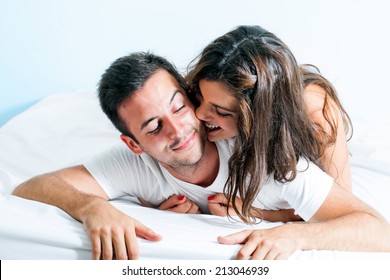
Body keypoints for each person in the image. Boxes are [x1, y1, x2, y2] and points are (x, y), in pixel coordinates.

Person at [12, 52, 390, 260]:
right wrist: (91, 207)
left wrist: (293, 233)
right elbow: (33, 186)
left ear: (191, 99)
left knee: (312, 103)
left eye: (179, 108)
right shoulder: (131, 163)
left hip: (307, 111)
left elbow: (376, 229)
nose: (178, 132)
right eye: (153, 127)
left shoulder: (265, 154)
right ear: (134, 144)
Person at [186, 25, 353, 224]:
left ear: (260, 115)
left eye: (222, 112)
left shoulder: (316, 111)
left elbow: (341, 213)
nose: (199, 113)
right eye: (199, 96)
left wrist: (259, 213)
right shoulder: (198, 94)